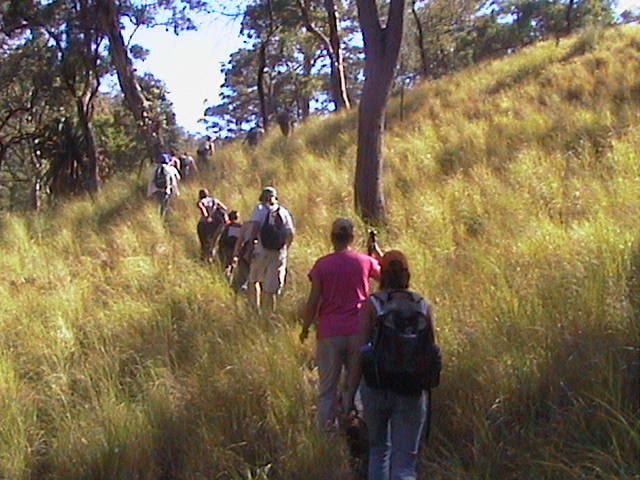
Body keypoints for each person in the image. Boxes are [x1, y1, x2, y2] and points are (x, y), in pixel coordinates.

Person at [343, 250, 435, 480]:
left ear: (382, 274)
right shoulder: (422, 305)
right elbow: (430, 352)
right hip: (413, 390)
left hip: (376, 387)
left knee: (378, 450)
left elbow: (359, 353)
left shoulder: (373, 305)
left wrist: (349, 395)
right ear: (407, 274)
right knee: (405, 460)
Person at [300, 218, 381, 432]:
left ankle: (327, 433)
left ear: (332, 238)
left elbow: (314, 299)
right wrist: (375, 252)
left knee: (327, 389)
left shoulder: (322, 265)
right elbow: (385, 276)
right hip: (358, 331)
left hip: (329, 333)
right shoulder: (364, 262)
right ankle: (360, 431)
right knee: (358, 387)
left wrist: (306, 327)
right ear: (352, 238)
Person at [231, 186, 294, 313]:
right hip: (279, 253)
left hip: (261, 251)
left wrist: (249, 250)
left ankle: (255, 309)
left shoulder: (260, 209)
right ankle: (269, 315)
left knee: (253, 280)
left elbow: (254, 228)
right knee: (271, 289)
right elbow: (291, 233)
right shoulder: (284, 212)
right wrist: (285, 248)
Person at [196, 189, 228, 263]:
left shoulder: (201, 201)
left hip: (203, 223)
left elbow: (201, 206)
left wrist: (206, 215)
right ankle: (210, 258)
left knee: (203, 243)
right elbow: (224, 208)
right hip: (213, 225)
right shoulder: (214, 200)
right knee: (212, 242)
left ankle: (203, 259)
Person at [147, 153, 180, 219]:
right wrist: (176, 191)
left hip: (157, 190)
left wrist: (149, 192)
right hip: (166, 190)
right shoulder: (170, 169)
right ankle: (164, 218)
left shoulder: (155, 169)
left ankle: (158, 218)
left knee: (158, 205)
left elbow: (151, 181)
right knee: (165, 205)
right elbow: (175, 180)